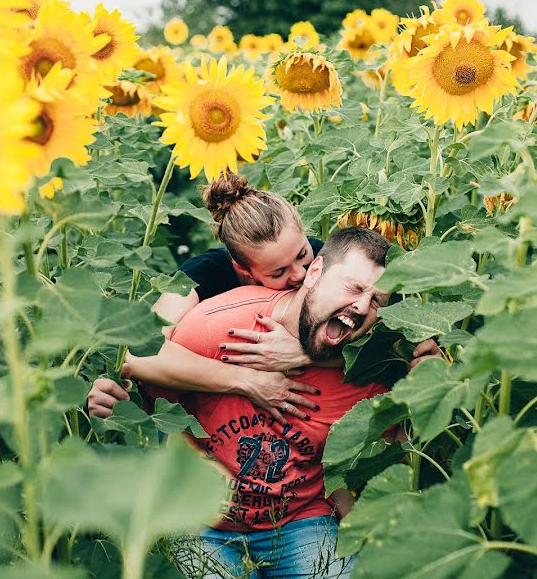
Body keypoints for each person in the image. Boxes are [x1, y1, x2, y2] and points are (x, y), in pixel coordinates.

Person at [134, 227, 396, 578]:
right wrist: (246, 382)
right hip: (201, 518)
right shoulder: (221, 325)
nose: (363, 304)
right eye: (354, 287)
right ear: (315, 273)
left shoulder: (367, 370)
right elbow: (145, 374)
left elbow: (388, 450)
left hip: (300, 521)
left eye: (377, 300)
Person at [90, 171, 334, 423]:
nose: (300, 274)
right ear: (244, 269)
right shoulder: (205, 272)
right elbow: (141, 350)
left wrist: (304, 353)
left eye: (302, 254)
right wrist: (248, 381)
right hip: (204, 414)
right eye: (278, 272)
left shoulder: (325, 258)